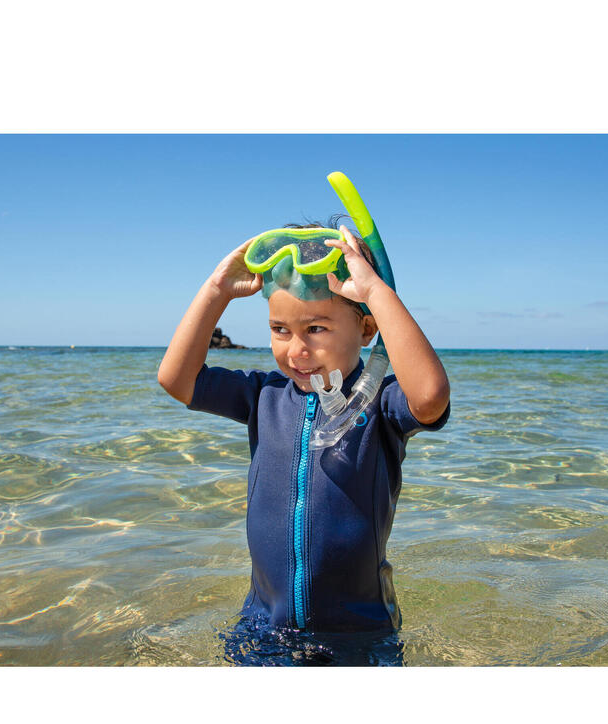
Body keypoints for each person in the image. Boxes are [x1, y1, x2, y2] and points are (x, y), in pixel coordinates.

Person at [157, 221, 450, 665]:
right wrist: (217, 288)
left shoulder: (382, 405)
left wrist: (378, 293)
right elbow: (176, 379)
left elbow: (429, 396)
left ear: (368, 330)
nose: (296, 351)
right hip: (263, 627)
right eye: (280, 330)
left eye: (316, 329)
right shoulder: (263, 396)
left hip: (358, 634)